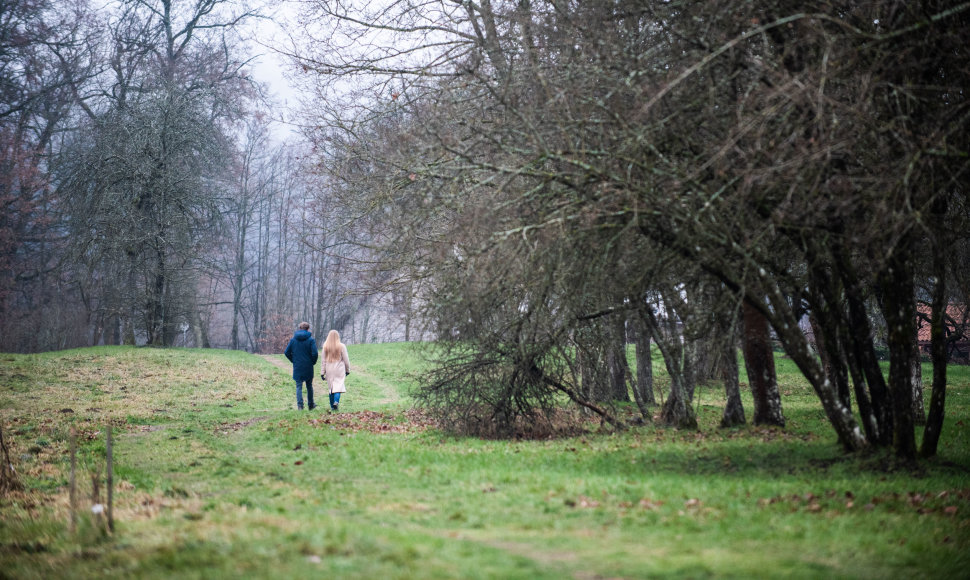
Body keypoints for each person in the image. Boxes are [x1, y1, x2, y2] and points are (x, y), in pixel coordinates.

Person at [284, 322, 318, 410]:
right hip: (308, 366)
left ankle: (300, 406)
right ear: (308, 329)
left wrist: (293, 361)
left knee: (298, 386)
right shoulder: (311, 340)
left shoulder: (293, 340)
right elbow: (315, 353)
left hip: (298, 366)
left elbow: (286, 352)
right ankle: (310, 405)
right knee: (309, 385)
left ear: (299, 328)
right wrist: (313, 362)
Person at [321, 330, 351, 412]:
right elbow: (346, 360)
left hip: (329, 370)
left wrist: (322, 373)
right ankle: (336, 402)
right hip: (339, 370)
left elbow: (323, 361)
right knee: (338, 386)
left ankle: (332, 406)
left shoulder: (325, 346)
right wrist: (347, 370)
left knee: (331, 388)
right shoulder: (342, 346)